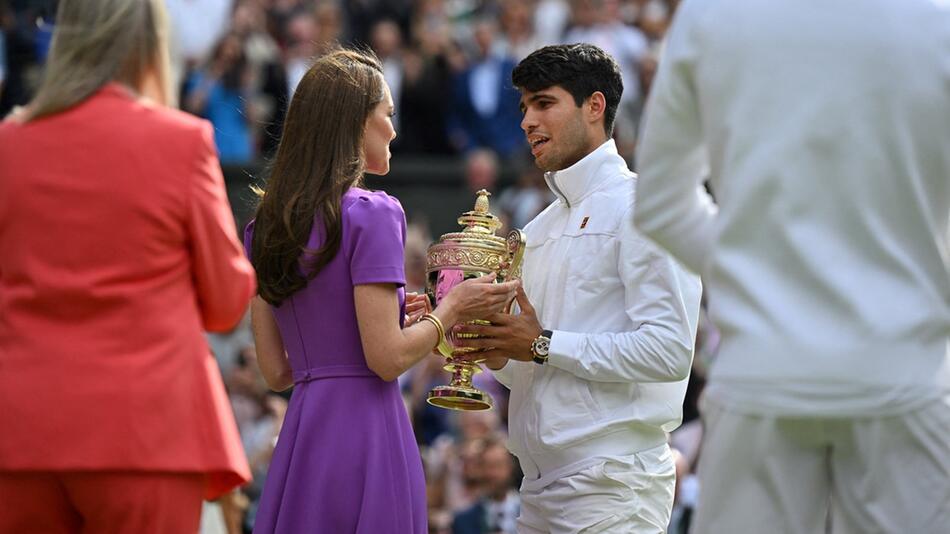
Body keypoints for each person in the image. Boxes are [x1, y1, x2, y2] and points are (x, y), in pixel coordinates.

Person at [634, 1, 950, 532]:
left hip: (759, 377)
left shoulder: (712, 14)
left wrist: (756, 273)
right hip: (907, 376)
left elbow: (661, 203)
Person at [0, 0, 256, 531]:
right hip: (146, 433)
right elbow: (228, 301)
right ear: (148, 45)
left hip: (19, 431)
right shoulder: (182, 142)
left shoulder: (9, 145)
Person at [244, 48, 519, 534]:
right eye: (387, 115)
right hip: (368, 435)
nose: (393, 129)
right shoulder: (374, 213)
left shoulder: (264, 227)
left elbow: (277, 370)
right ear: (354, 123)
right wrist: (451, 309)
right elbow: (386, 360)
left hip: (304, 439)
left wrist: (406, 326)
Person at [454, 43, 702, 533]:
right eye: (523, 106)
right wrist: (494, 349)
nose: (527, 120)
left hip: (614, 485)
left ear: (594, 107)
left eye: (544, 103)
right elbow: (530, 368)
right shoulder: (536, 228)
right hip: (539, 488)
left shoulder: (644, 209)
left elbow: (670, 351)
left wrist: (543, 344)